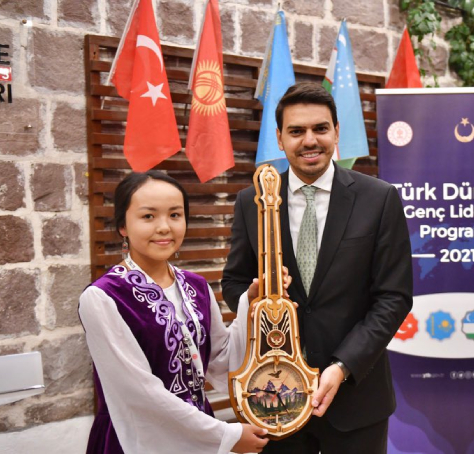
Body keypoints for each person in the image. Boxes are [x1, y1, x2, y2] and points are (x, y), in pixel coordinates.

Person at [222, 82, 413, 453]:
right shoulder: (252, 202)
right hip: (274, 398)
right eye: (296, 131)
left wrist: (342, 366)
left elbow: (394, 297)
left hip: (357, 399)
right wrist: (254, 295)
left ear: (336, 132)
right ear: (280, 138)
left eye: (320, 129)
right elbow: (234, 282)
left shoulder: (379, 199)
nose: (310, 140)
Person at [79, 170, 275, 454]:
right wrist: (225, 435)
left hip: (197, 431)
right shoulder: (103, 297)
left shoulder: (196, 286)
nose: (164, 227)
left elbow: (222, 360)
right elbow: (138, 393)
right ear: (123, 225)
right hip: (134, 437)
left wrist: (251, 305)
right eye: (148, 216)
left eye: (175, 215)